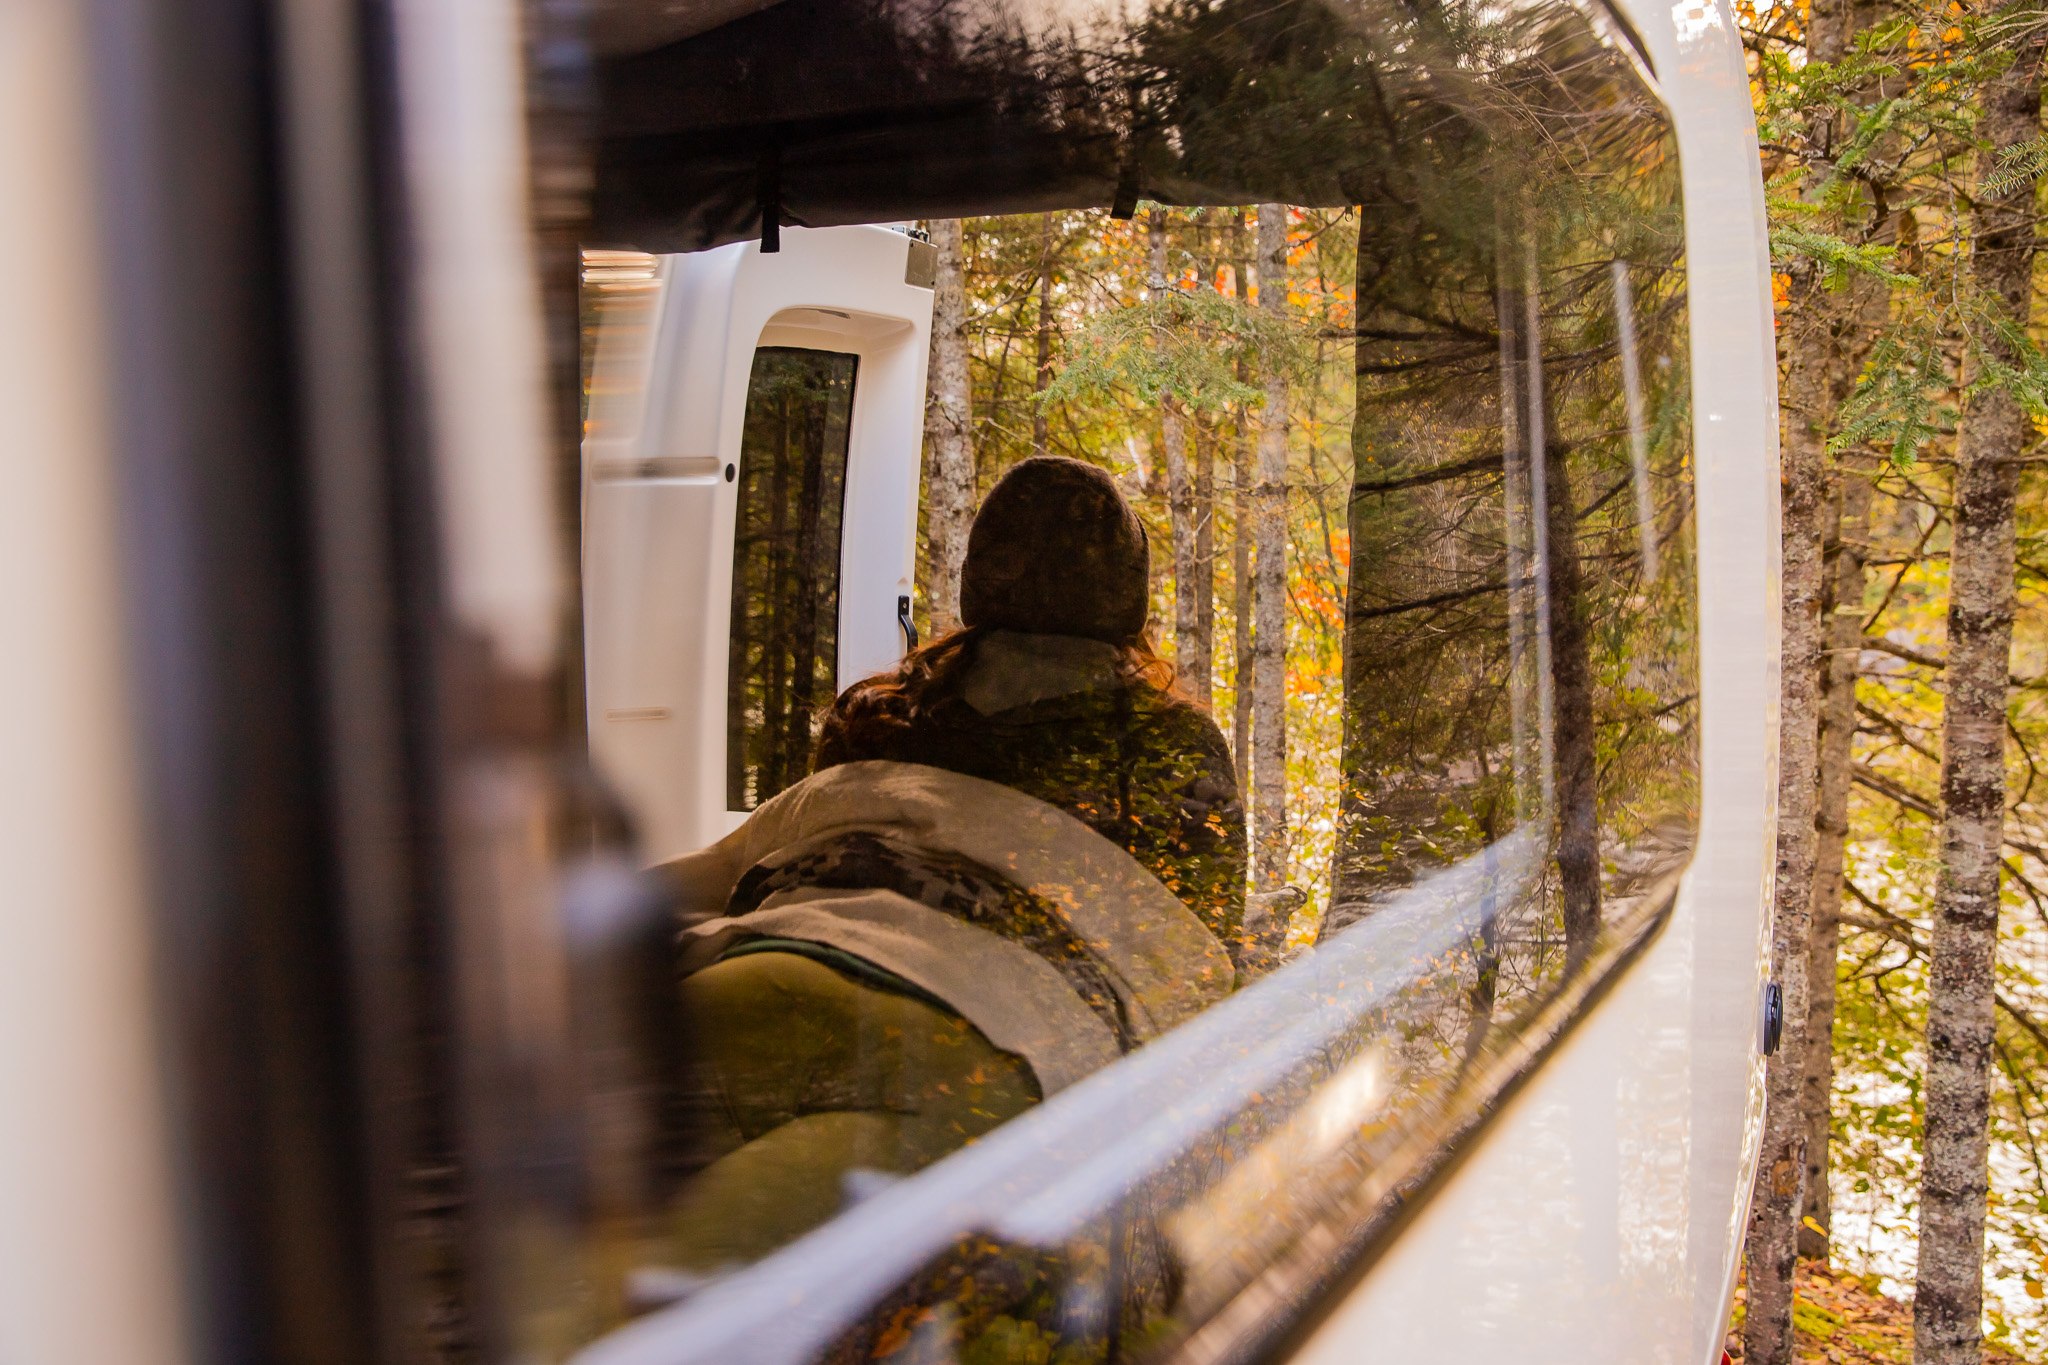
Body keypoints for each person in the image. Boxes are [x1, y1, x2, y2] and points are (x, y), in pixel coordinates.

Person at [659, 457, 1246, 1271]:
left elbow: (713, 869)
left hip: (755, 973)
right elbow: (1199, 958)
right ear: (1127, 591)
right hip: (967, 1041)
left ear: (981, 573)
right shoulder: (1175, 747)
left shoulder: (884, 712)